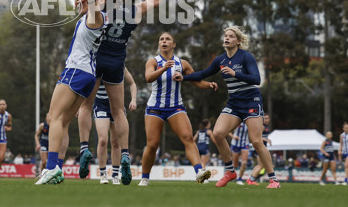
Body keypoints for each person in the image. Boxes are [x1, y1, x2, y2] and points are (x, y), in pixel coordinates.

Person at [76, 0, 162, 185]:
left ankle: (84, 147)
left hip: (96, 59)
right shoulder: (135, 11)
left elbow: (86, 9)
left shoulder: (105, 8)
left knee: (85, 105)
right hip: (117, 62)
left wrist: (83, 1)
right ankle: (124, 154)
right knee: (119, 112)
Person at [35, 0, 109, 185]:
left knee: (52, 117)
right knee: (63, 121)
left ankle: (52, 167)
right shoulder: (93, 17)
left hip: (76, 72)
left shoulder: (96, 15)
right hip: (85, 74)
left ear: (100, 1)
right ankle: (55, 170)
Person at [182, 26, 281, 189]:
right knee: (218, 133)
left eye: (230, 36)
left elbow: (256, 79)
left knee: (256, 141)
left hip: (251, 101)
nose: (226, 38)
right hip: (234, 103)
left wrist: (236, 74)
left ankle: (273, 180)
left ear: (238, 41)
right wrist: (183, 77)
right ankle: (230, 172)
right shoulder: (220, 60)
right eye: (225, 36)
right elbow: (202, 74)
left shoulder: (246, 57)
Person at [138, 32, 216, 187]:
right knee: (152, 145)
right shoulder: (153, 61)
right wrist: (163, 68)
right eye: (161, 39)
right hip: (155, 108)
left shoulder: (183, 63)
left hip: (176, 107)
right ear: (159, 44)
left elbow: (196, 81)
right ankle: (145, 178)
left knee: (188, 138)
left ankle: (199, 172)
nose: (164, 41)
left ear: (174, 44)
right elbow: (148, 78)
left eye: (167, 39)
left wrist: (209, 85)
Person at [94, 68, 137, 185]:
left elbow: (132, 83)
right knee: (102, 140)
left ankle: (115, 175)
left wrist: (133, 100)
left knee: (116, 143)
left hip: (117, 106)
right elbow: (86, 85)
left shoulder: (118, 64)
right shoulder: (97, 63)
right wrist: (82, 106)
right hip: (100, 105)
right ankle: (103, 174)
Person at [246, 113, 272, 185]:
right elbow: (256, 137)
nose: (267, 120)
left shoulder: (266, 127)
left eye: (268, 118)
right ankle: (251, 179)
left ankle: (251, 179)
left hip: (262, 148)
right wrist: (266, 139)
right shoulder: (262, 126)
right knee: (261, 165)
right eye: (265, 118)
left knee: (260, 165)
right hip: (259, 148)